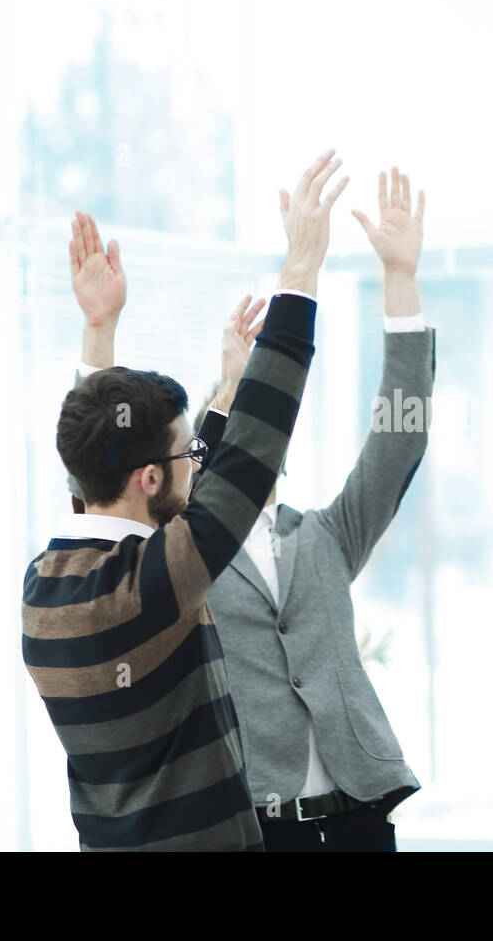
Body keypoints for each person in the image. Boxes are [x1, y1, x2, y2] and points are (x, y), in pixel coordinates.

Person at [76, 167, 435, 851]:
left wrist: (401, 286)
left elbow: (400, 438)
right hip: (252, 832)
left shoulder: (324, 537)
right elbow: (104, 484)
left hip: (360, 821)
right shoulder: (177, 557)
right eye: (225, 424)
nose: (249, 436)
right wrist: (104, 338)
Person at [21, 149, 345, 851]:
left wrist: (99, 331)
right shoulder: (149, 586)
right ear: (147, 480)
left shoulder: (44, 584)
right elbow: (249, 462)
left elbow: (97, 456)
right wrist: (301, 274)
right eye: (185, 454)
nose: (198, 461)